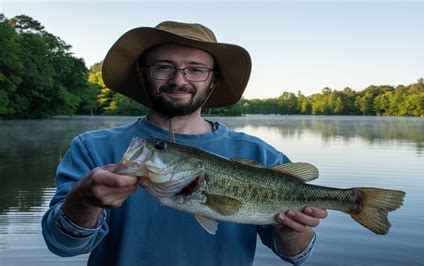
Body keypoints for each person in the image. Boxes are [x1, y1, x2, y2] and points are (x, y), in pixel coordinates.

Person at [41, 21, 327, 265]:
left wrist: (293, 231)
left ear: (212, 81)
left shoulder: (259, 154)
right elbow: (62, 246)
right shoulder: (92, 148)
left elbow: (296, 256)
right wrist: (83, 202)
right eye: (163, 67)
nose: (179, 80)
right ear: (142, 74)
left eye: (195, 69)